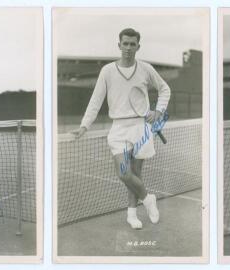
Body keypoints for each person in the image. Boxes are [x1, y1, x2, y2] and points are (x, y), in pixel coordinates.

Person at [71, 28, 171, 229]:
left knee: (136, 174)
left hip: (141, 127)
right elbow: (95, 101)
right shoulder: (107, 71)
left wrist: (158, 111)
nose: (128, 48)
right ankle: (148, 199)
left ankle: (132, 215)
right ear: (119, 45)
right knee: (124, 173)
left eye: (132, 44)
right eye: (125, 43)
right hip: (118, 128)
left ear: (138, 47)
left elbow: (164, 89)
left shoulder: (146, 68)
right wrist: (84, 126)